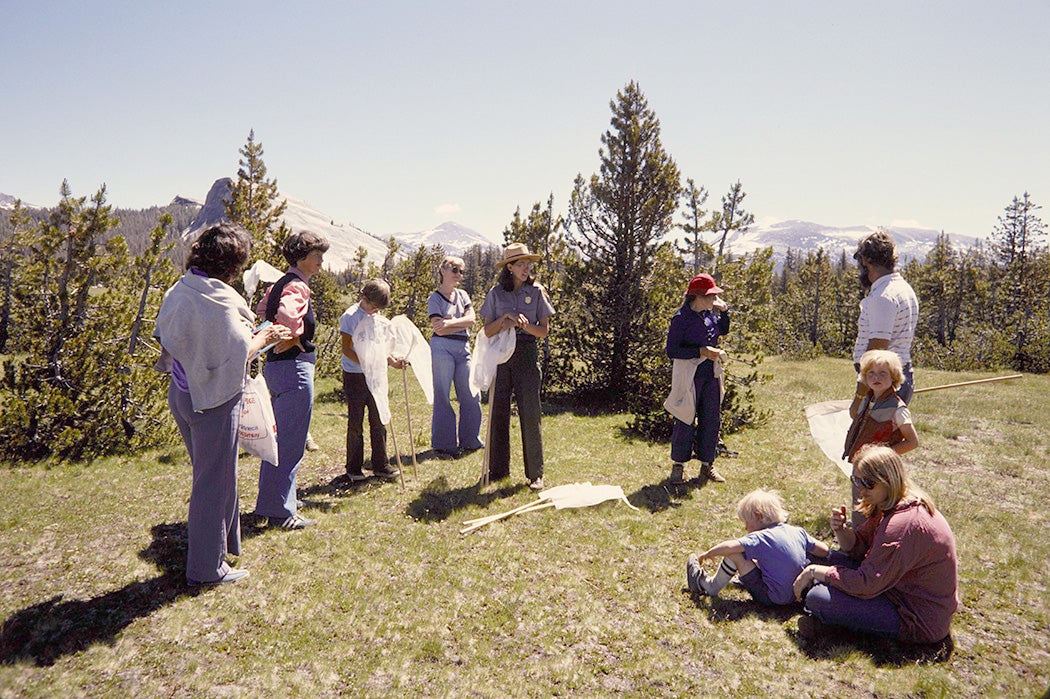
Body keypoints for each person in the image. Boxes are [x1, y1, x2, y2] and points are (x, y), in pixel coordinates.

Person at [155, 223, 292, 585]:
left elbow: (169, 337)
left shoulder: (182, 288)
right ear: (233, 264)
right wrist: (263, 335)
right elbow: (235, 355)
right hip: (213, 399)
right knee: (212, 483)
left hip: (182, 392)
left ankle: (224, 545)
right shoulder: (220, 301)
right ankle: (207, 567)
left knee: (212, 475)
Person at [792, 445, 958, 646]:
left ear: (888, 480)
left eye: (868, 483)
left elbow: (866, 584)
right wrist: (841, 530)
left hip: (915, 617)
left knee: (819, 598)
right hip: (892, 586)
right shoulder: (891, 503)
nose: (861, 488)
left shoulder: (902, 525)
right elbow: (858, 550)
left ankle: (827, 625)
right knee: (817, 556)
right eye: (857, 480)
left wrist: (814, 572)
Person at [253, 230, 330, 531]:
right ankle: (281, 511)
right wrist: (292, 336)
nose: (321, 261)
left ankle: (278, 499)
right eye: (317, 255)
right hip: (295, 369)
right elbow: (285, 317)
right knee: (291, 442)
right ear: (302, 257)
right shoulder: (298, 287)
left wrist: (270, 338)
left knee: (281, 439)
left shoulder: (277, 285)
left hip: (276, 368)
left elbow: (261, 314)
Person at [479, 243, 555, 490]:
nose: (526, 268)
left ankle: (536, 474)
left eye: (528, 264)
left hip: (526, 354)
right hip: (500, 355)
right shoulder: (496, 293)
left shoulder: (537, 292)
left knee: (530, 413)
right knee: (497, 412)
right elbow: (486, 330)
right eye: (520, 264)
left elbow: (543, 332)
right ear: (509, 267)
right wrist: (504, 321)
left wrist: (523, 326)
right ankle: (498, 470)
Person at [687, 489, 831, 605]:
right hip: (797, 594)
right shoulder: (797, 531)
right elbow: (824, 550)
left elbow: (731, 546)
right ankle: (743, 579)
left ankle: (708, 586)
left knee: (737, 554)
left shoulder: (761, 537)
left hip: (771, 597)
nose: (745, 528)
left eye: (747, 523)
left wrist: (709, 553)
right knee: (769, 558)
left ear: (758, 516)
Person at [664, 273, 730, 484]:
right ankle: (678, 466)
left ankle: (706, 465)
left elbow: (723, 329)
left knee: (711, 419)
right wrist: (701, 351)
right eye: (711, 296)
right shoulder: (681, 318)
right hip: (689, 376)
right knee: (684, 418)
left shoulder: (709, 315)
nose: (714, 300)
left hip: (710, 375)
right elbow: (672, 350)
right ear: (698, 297)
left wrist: (725, 312)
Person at [844, 349, 919, 527]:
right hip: (861, 464)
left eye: (883, 373)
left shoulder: (898, 408)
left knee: (877, 505)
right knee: (860, 501)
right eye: (871, 373)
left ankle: (871, 543)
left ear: (894, 377)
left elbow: (912, 442)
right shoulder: (868, 400)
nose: (876, 377)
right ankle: (857, 540)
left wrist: (884, 456)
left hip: (880, 470)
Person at [339, 279, 406, 481]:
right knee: (356, 422)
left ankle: (381, 464)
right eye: (373, 306)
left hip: (376, 375)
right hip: (355, 375)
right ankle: (353, 467)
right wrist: (365, 362)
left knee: (379, 419)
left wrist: (392, 362)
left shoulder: (377, 317)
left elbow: (380, 349)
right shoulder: (350, 317)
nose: (375, 311)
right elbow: (346, 348)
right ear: (364, 298)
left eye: (378, 308)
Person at [851, 229, 919, 414]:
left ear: (866, 261)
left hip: (881, 383)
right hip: (893, 378)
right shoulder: (903, 288)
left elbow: (877, 350)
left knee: (871, 443)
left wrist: (859, 396)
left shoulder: (884, 296)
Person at [428, 255, 484, 457]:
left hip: (463, 348)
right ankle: (444, 444)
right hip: (441, 347)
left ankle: (471, 441)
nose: (458, 275)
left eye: (461, 271)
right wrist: (460, 321)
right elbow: (438, 329)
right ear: (442, 270)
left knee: (471, 392)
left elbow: (472, 320)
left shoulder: (463, 295)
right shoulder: (434, 298)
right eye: (454, 270)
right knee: (442, 394)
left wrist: (449, 322)